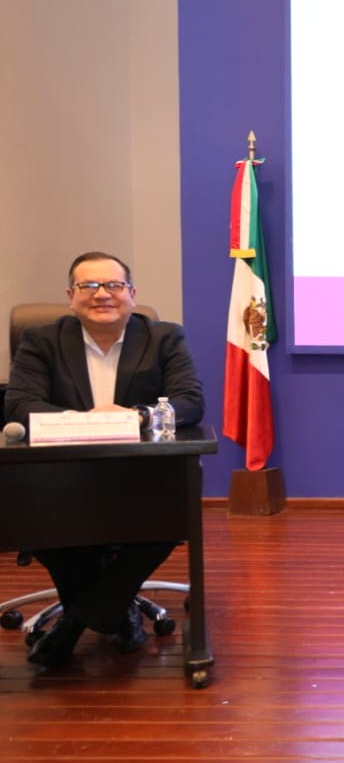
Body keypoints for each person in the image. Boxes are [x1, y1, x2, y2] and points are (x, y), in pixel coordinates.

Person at [4, 252, 205, 667]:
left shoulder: (164, 338)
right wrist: (87, 421)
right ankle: (116, 613)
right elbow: (20, 405)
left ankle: (73, 624)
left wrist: (138, 415)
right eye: (89, 286)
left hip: (138, 474)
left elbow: (190, 402)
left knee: (167, 509)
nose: (102, 294)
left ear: (131, 294)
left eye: (113, 285)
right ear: (70, 296)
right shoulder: (41, 341)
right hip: (62, 475)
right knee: (39, 513)